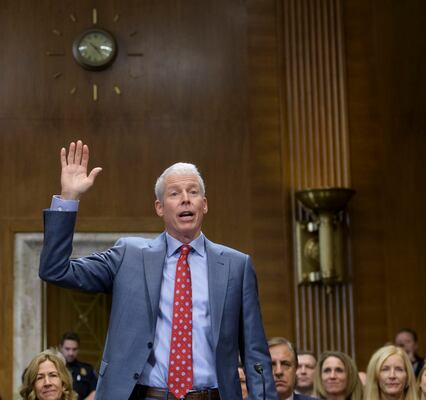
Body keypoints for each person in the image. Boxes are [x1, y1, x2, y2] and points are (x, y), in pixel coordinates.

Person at [39, 140, 275, 399]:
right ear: (159, 208)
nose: (185, 199)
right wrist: (69, 199)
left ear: (204, 204)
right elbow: (55, 270)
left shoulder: (236, 266)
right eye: (174, 194)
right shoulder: (128, 256)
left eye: (193, 192)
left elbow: (255, 355)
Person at [58, 332, 97, 400]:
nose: (71, 353)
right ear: (61, 348)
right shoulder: (54, 368)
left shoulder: (87, 370)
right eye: (67, 349)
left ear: (78, 349)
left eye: (74, 349)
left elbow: (95, 391)